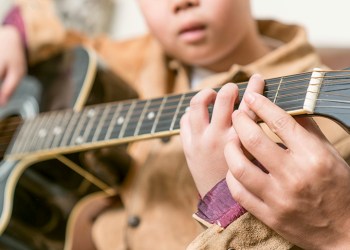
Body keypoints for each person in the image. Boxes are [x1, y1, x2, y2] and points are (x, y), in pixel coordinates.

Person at [1, 0, 349, 249]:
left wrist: (225, 197)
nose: (181, 3)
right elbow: (46, 20)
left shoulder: (322, 139)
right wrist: (11, 35)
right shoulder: (130, 57)